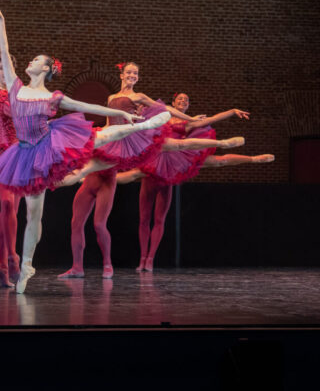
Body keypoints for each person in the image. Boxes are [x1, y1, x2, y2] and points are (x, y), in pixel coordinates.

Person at [0, 0, 172, 293]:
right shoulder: (15, 87)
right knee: (33, 214)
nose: (30, 62)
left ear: (46, 69)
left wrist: (119, 113)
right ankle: (28, 265)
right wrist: (1, 21)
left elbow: (87, 106)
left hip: (49, 144)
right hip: (25, 155)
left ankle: (141, 126)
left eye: (36, 60)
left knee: (101, 136)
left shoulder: (54, 97)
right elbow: (5, 53)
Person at [58, 63, 250, 280]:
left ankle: (223, 143)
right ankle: (77, 266)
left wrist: (190, 119)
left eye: (135, 73)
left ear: (137, 78)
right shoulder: (111, 96)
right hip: (112, 136)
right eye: (129, 72)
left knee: (175, 145)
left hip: (130, 136)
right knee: (84, 168)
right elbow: (110, 119)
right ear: (121, 75)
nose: (132, 75)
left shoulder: (139, 96)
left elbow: (166, 109)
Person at [115, 92, 274, 272]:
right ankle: (142, 258)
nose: (183, 101)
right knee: (144, 217)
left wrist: (231, 111)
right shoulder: (162, 116)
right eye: (180, 99)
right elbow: (143, 119)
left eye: (186, 100)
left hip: (174, 163)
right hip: (156, 160)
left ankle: (151, 259)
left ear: (188, 105)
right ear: (173, 102)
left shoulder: (190, 123)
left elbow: (212, 119)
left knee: (160, 218)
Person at [0, 53, 23, 287]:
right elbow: (13, 112)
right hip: (1, 155)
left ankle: (1, 262)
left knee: (9, 212)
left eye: (8, 68)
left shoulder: (18, 94)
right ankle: (12, 257)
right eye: (1, 68)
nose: (4, 72)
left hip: (19, 157)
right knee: (7, 204)